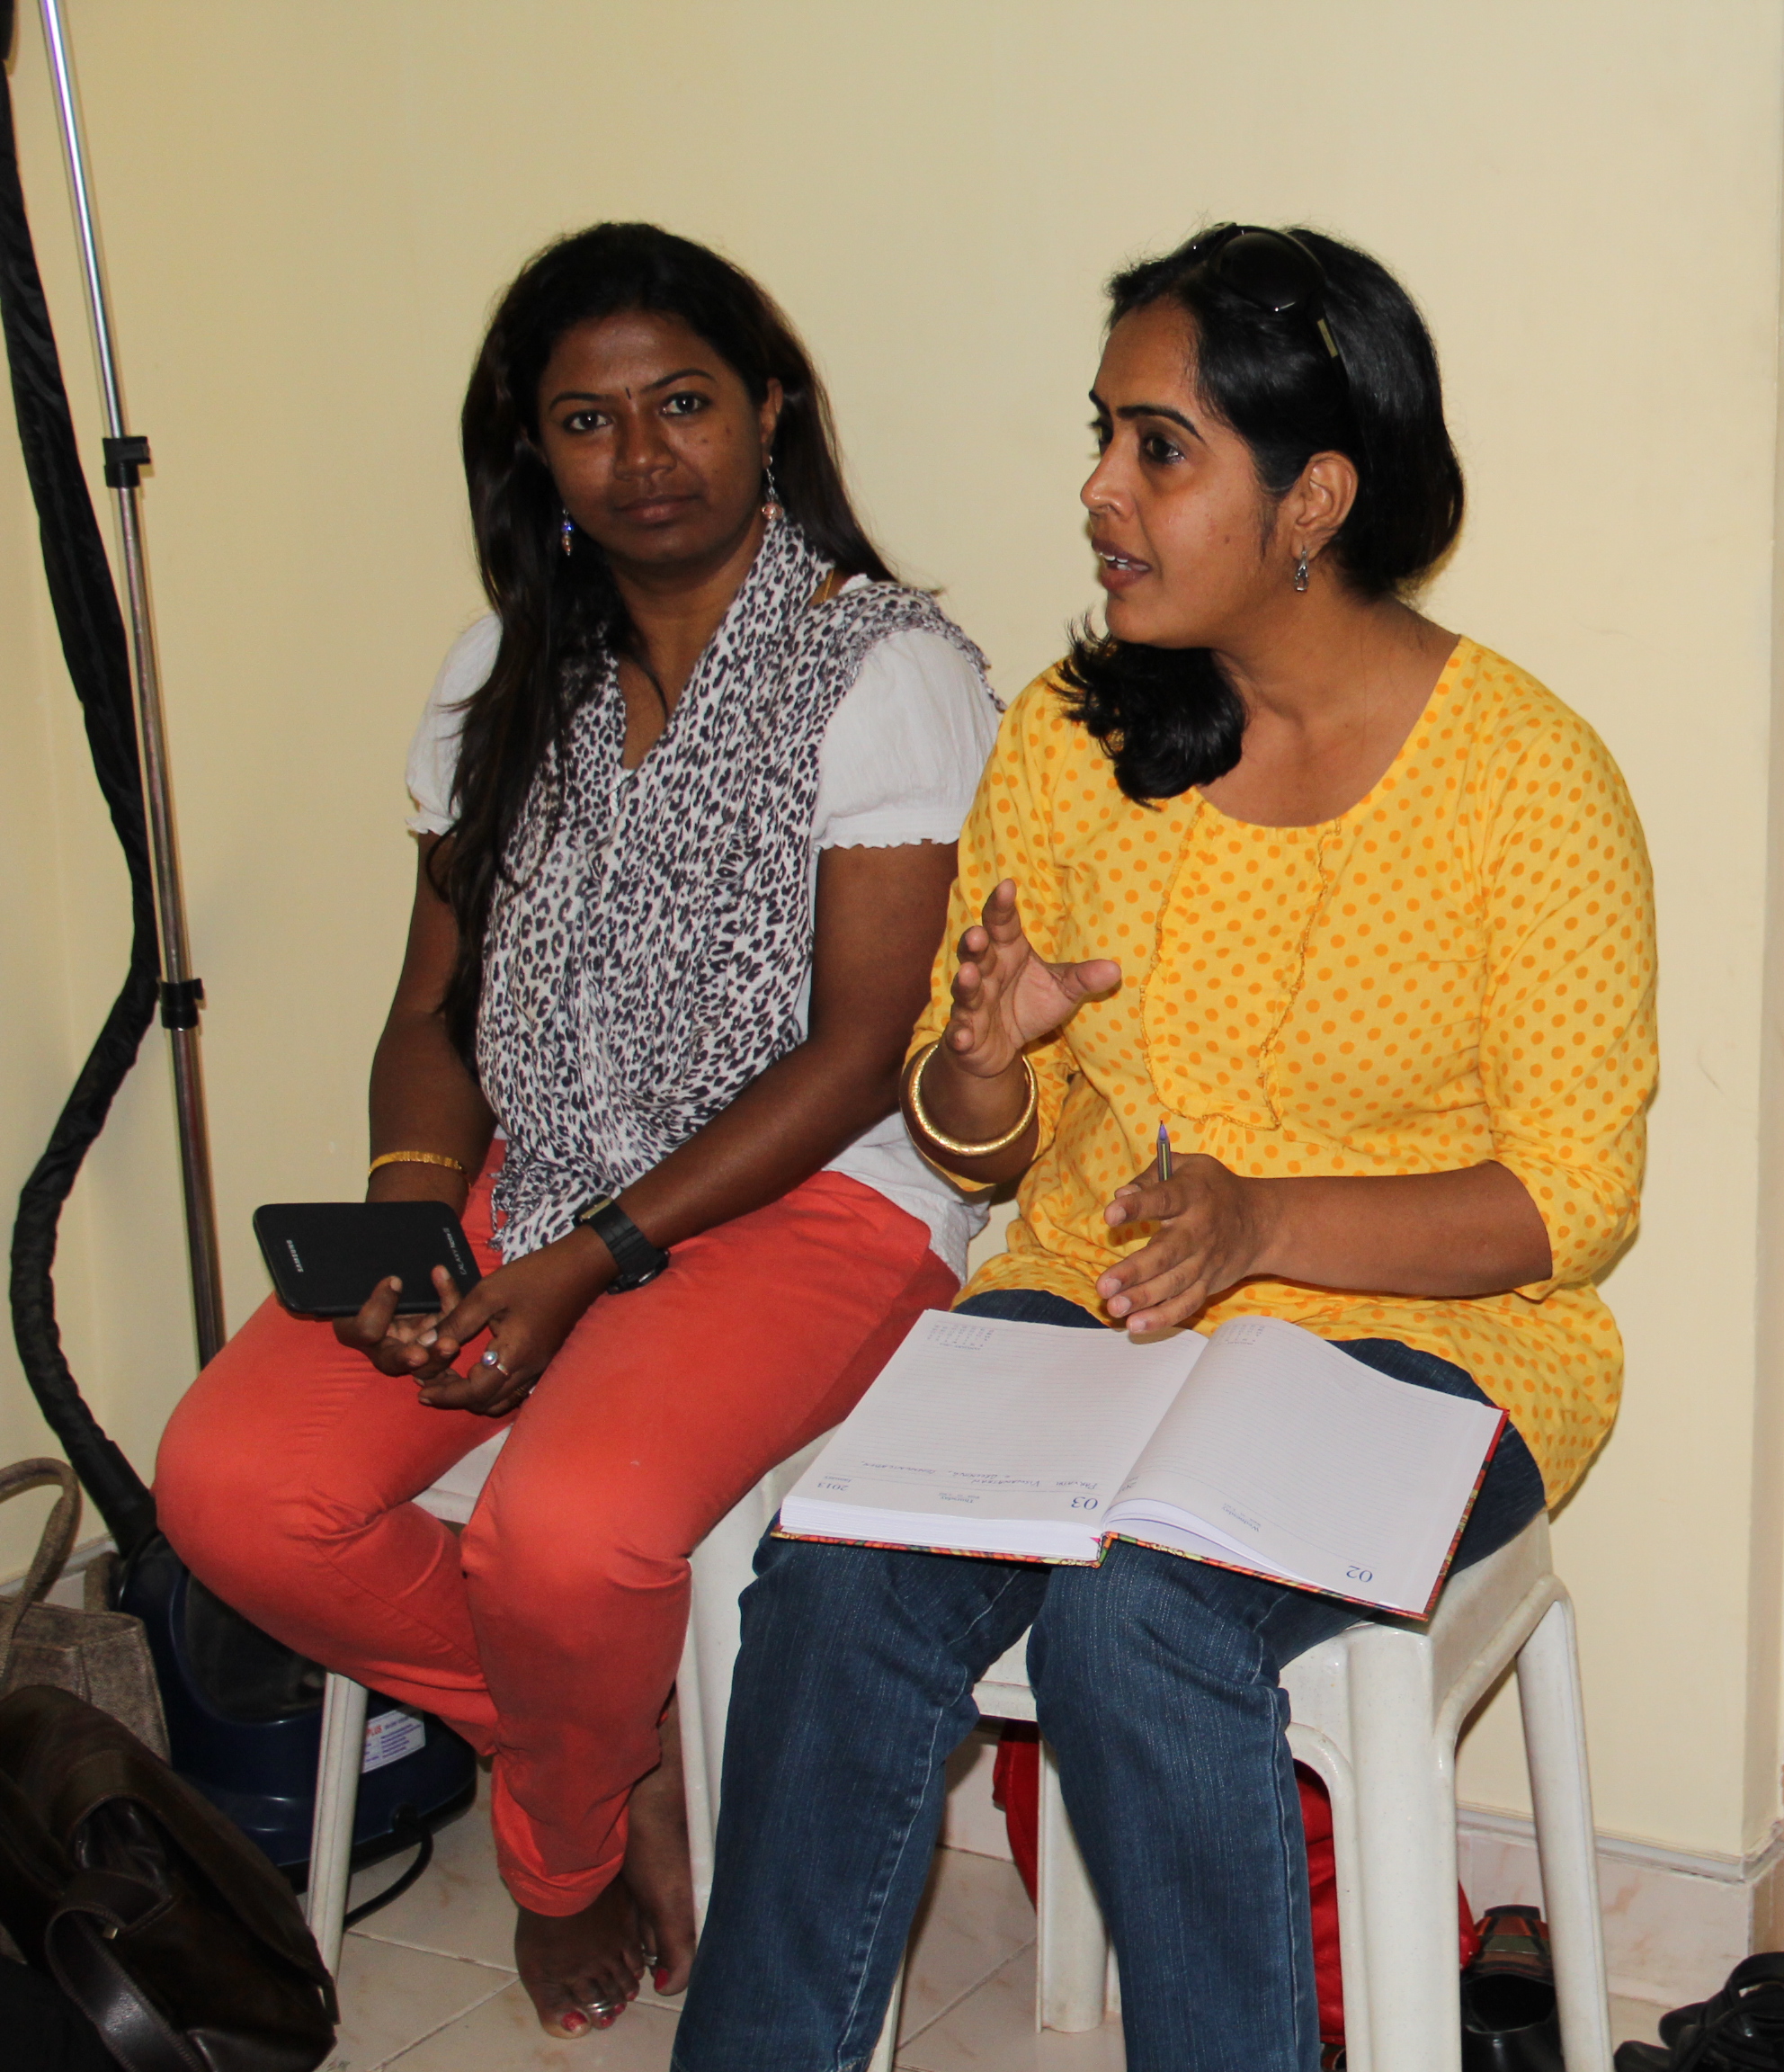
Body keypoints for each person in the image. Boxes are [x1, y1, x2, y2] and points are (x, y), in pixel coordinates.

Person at [673, 225, 1657, 2072]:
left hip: (1439, 1344)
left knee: (1140, 1624)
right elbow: (981, 1147)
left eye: (1159, 448)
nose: (1099, 491)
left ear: (1314, 499)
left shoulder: (1528, 778)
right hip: (1092, 1300)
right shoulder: (1075, 736)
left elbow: (1569, 1204)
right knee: (835, 1571)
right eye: (1104, 436)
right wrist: (980, 1062)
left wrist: (1261, 1220)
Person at [155, 223, 1000, 2037]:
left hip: (815, 1205)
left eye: (683, 403)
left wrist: (588, 1259)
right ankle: (607, 1748)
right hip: (527, 1179)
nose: (644, 456)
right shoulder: (499, 674)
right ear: (532, 452)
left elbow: (864, 1055)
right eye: (588, 420)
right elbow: (432, 1014)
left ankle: (560, 1846)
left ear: (770, 408)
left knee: (566, 1534)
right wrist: (415, 1219)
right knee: (230, 1486)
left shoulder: (883, 670)